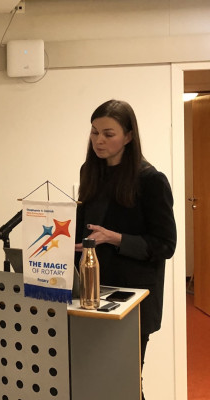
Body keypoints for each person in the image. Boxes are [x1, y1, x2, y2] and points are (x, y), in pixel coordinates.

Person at [74, 99, 176, 399]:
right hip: (90, 294)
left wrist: (116, 238)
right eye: (94, 132)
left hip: (132, 299)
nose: (99, 141)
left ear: (129, 136)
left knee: (125, 385)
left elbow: (165, 245)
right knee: (92, 383)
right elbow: (85, 230)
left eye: (109, 134)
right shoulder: (89, 171)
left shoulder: (151, 180)